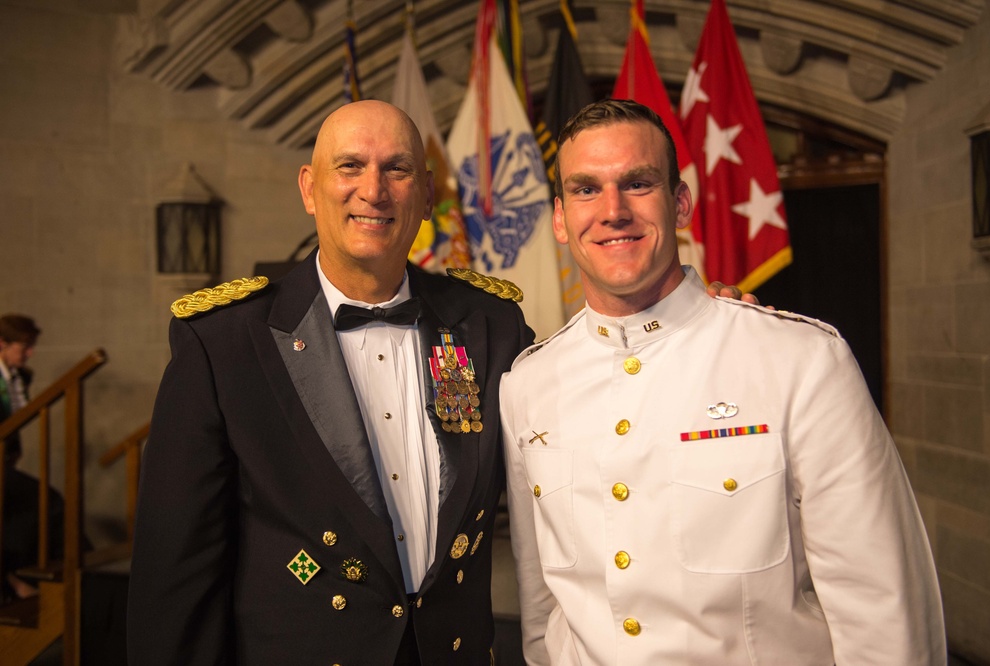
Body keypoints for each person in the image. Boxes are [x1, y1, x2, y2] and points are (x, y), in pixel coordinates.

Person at [500, 99, 946, 665]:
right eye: (586, 189)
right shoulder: (527, 385)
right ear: (560, 218)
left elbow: (882, 610)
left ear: (679, 203)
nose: (612, 211)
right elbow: (543, 612)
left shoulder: (799, 361)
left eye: (637, 183)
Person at [127, 100, 534, 665]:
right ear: (309, 189)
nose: (374, 190)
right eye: (349, 167)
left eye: (397, 168)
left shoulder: (491, 325)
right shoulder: (223, 343)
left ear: (426, 192)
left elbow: (581, 422)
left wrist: (692, 327)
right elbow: (176, 573)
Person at [1, 313, 64, 602]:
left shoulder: (21, 376)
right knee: (44, 502)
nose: (30, 353)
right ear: (2, 344)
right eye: (24, 347)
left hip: (6, 461)